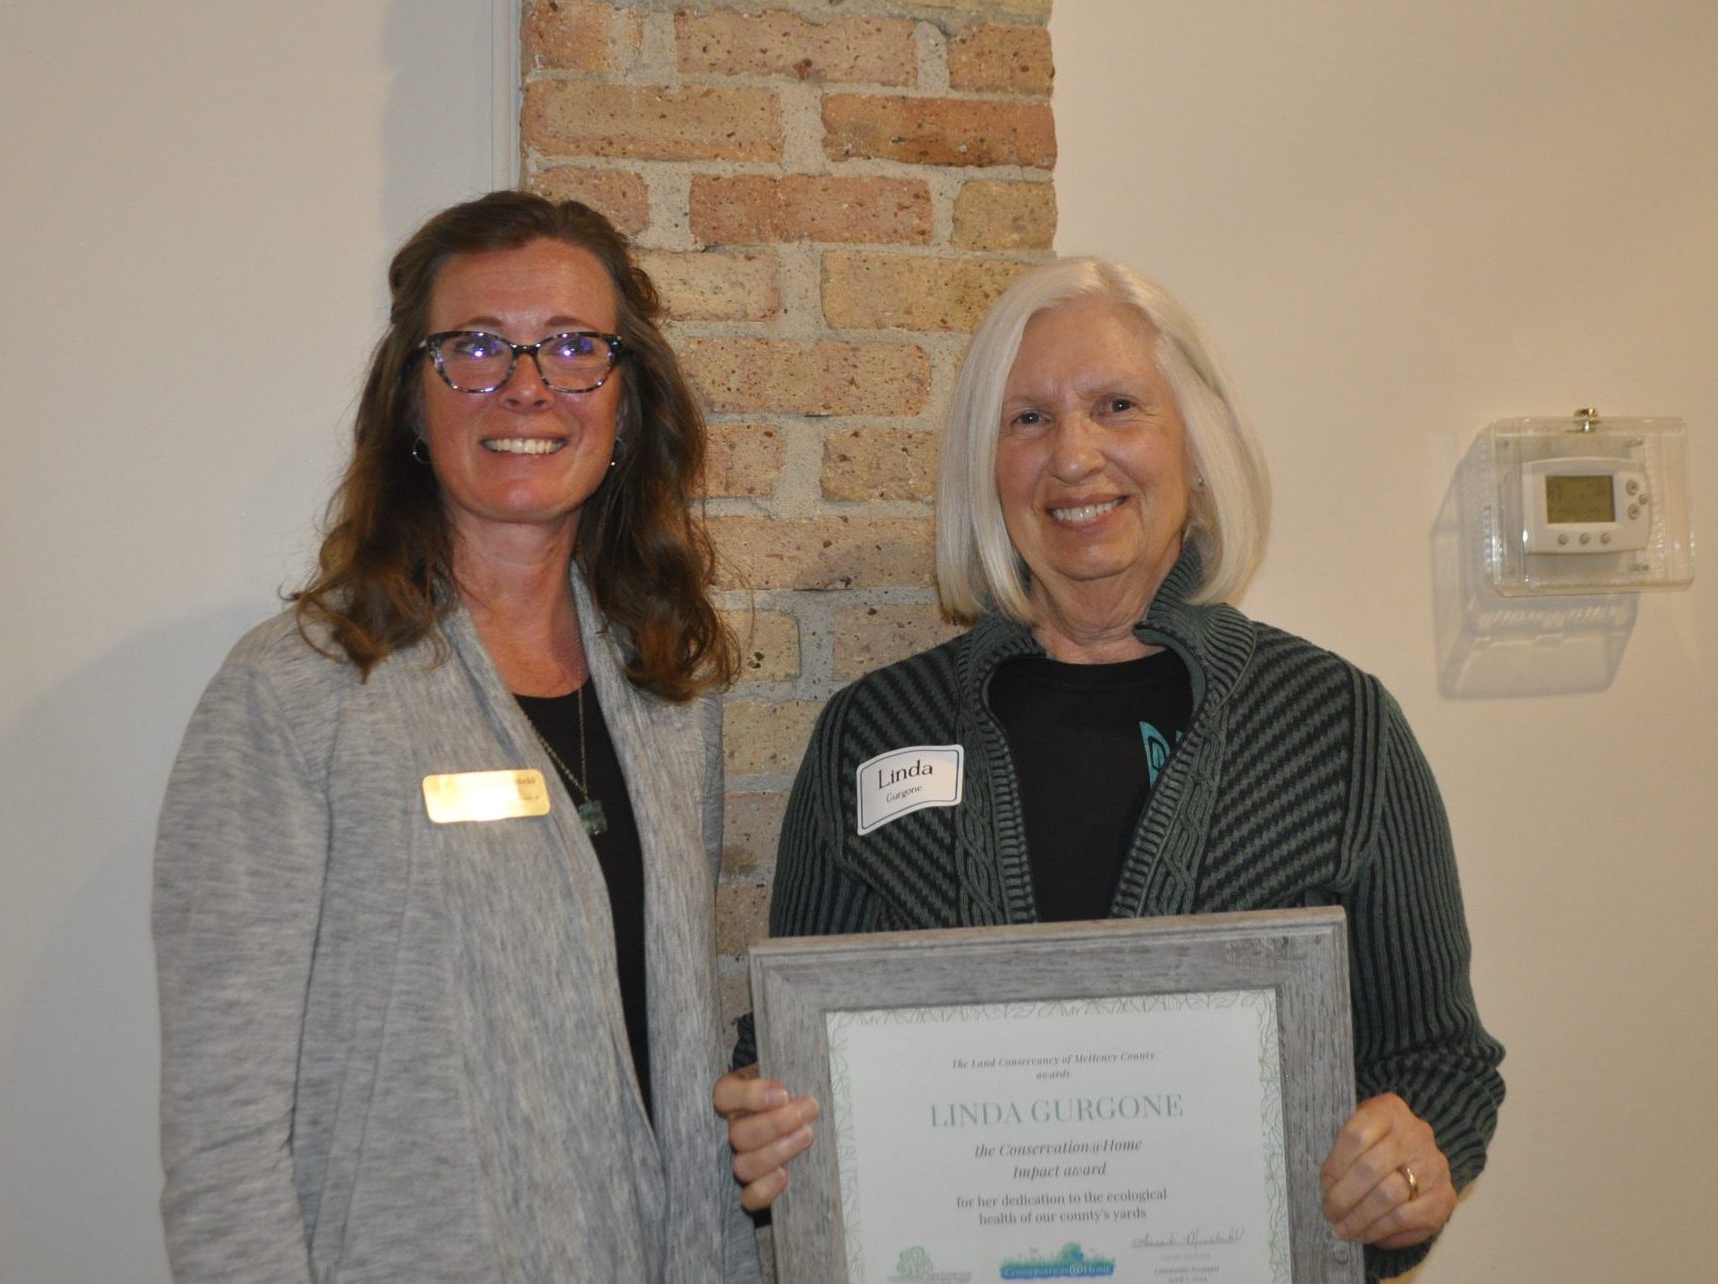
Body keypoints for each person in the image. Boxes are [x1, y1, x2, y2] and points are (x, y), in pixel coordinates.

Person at [715, 257, 1504, 1281]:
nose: (1075, 457)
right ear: (985, 469)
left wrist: (1406, 1172)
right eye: (1028, 420)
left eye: (1118, 406)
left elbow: (1438, 1062)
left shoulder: (1338, 727)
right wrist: (763, 1112)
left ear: (1197, 446)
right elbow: (794, 1046)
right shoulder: (872, 732)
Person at [154, 191, 758, 1282]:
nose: (527, 386)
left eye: (574, 348)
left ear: (626, 403)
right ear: (411, 404)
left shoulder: (667, 691)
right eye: (476, 347)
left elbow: (663, 1050)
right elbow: (223, 1142)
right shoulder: (299, 692)